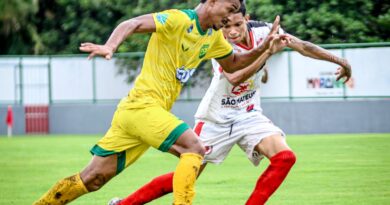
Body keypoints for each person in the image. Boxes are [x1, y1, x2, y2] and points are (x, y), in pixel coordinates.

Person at [33, 0, 290, 204]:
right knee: (194, 148)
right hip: (142, 107)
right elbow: (132, 23)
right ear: (212, 2)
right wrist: (110, 46)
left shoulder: (213, 38)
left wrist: (264, 47)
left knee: (93, 179)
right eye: (230, 8)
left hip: (139, 115)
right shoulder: (179, 19)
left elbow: (235, 63)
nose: (230, 17)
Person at [108, 4, 352, 205]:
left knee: (285, 157)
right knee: (187, 176)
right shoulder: (218, 44)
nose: (232, 31)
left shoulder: (264, 31)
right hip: (216, 117)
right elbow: (235, 77)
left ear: (247, 18)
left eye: (237, 24)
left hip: (249, 114)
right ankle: (123, 204)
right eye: (226, 25)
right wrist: (266, 52)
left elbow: (302, 45)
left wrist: (340, 60)